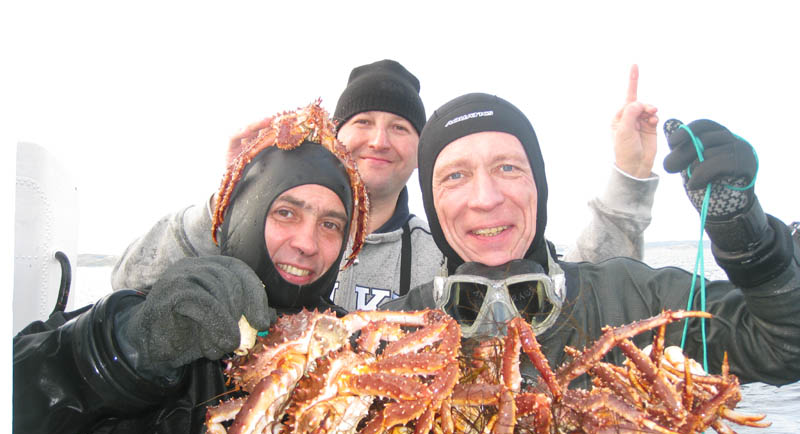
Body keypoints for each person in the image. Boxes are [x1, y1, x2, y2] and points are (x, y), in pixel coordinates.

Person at [381, 92, 800, 434]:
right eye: (455, 175)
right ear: (431, 200)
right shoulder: (393, 334)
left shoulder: (627, 297)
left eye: (508, 167)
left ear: (539, 185)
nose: (485, 197)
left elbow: (782, 346)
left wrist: (747, 236)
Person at [13, 107, 373, 434]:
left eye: (331, 224)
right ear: (243, 212)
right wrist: (126, 349)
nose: (307, 243)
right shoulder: (158, 311)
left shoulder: (354, 352)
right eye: (286, 212)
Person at [110, 62, 660, 310]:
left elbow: (583, 289)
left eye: (400, 127)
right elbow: (130, 284)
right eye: (363, 122)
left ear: (422, 154)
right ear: (334, 135)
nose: (379, 140)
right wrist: (231, 204)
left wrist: (629, 180)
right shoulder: (271, 238)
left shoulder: (450, 250)